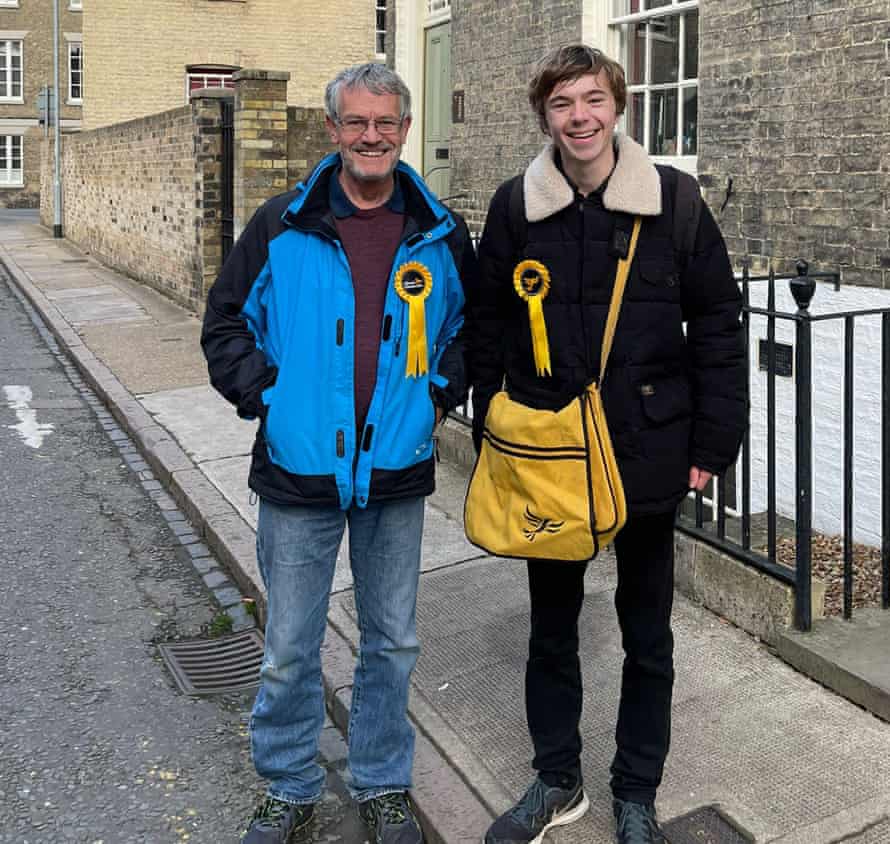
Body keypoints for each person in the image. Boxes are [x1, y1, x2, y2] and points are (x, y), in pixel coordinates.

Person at [468, 45, 746, 844]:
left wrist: (713, 442)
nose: (579, 117)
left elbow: (720, 329)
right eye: (562, 103)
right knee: (551, 629)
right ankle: (558, 780)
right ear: (544, 116)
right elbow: (488, 324)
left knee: (646, 633)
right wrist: (494, 416)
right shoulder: (516, 206)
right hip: (549, 458)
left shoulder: (678, 203)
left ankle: (636, 792)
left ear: (617, 107)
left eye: (592, 99)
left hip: (649, 447)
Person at [202, 62, 475, 844]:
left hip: (395, 471)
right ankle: (288, 786)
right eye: (356, 123)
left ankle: (382, 781)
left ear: (405, 130)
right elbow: (224, 324)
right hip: (298, 472)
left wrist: (435, 394)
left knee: (392, 641)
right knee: (290, 647)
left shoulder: (439, 232)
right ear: (332, 130)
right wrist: (270, 398)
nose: (371, 137)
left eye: (386, 123)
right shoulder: (280, 225)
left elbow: (471, 330)